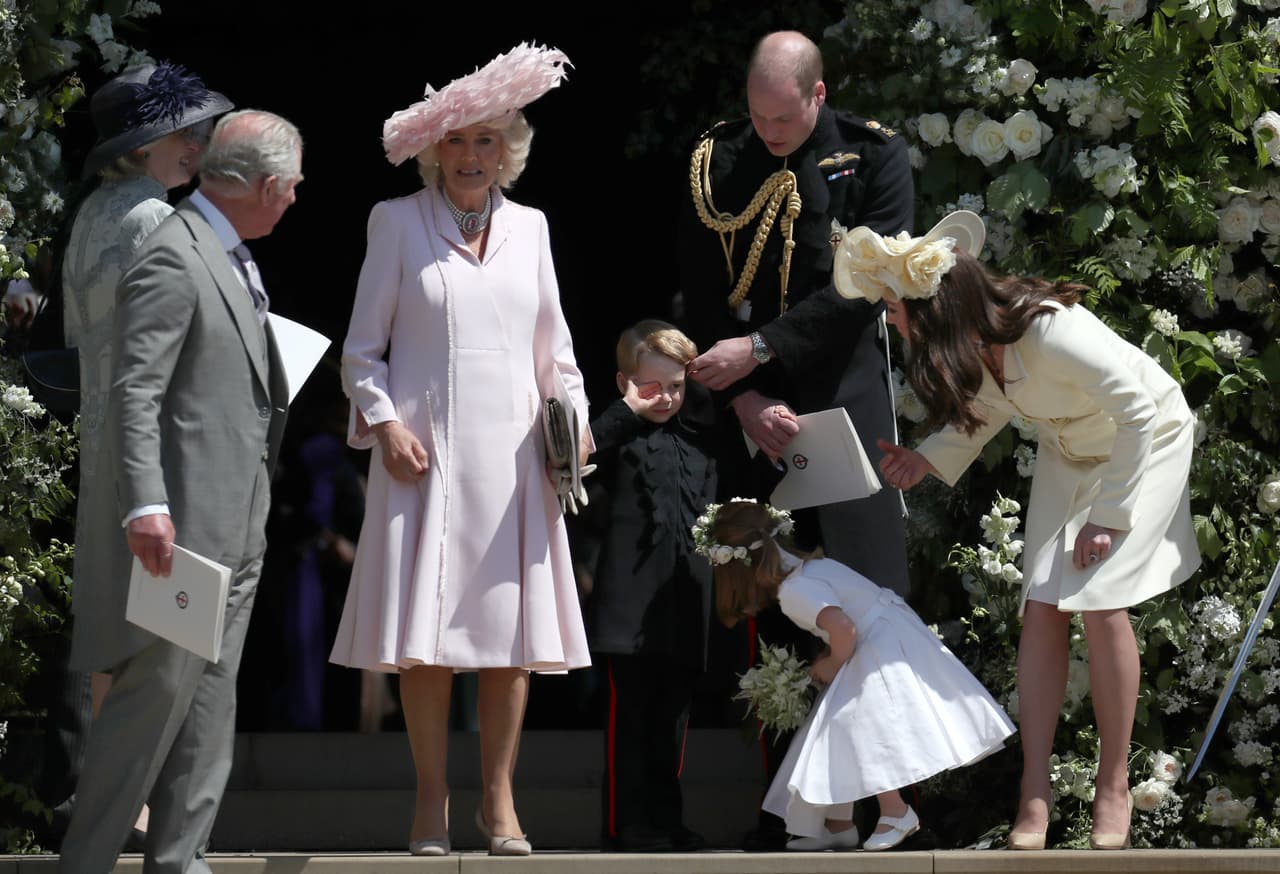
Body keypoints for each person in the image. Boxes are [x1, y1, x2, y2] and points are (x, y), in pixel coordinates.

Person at [843, 211, 1201, 850]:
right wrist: (926, 457)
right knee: (1041, 606)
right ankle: (1034, 791)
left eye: (896, 309)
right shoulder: (980, 341)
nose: (892, 320)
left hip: (1144, 444)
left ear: (935, 308)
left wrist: (1109, 517)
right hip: (1073, 454)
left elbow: (1140, 412)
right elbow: (988, 408)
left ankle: (1113, 786)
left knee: (1099, 600)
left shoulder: (1051, 332)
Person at [330, 43, 591, 858]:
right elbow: (359, 352)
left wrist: (574, 421)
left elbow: (558, 355)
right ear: (432, 150)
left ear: (507, 148)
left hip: (515, 464)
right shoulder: (396, 222)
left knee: (511, 643)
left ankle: (501, 804)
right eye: (456, 141)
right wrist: (385, 422)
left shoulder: (535, 228)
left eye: (486, 141)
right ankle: (432, 804)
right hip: (425, 460)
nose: (471, 156)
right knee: (427, 644)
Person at [677, 28, 914, 849]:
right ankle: (796, 811)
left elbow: (864, 288)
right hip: (753, 412)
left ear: (818, 96)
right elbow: (702, 285)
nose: (769, 134)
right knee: (775, 610)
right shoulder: (719, 158)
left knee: (869, 603)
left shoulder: (874, 159)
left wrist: (765, 348)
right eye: (757, 116)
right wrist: (741, 392)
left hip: (845, 402)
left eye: (784, 119)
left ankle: (890, 806)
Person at [58, 109, 302, 874]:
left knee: (208, 704)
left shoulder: (226, 252)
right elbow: (136, 391)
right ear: (264, 186)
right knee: (151, 701)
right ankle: (86, 863)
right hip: (184, 526)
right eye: (291, 186)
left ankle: (181, 861)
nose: (295, 199)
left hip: (239, 516)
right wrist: (146, 504)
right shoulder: (175, 251)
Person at [57, 60, 234, 843]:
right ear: (142, 144)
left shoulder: (96, 212)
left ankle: (117, 796)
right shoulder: (152, 221)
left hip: (105, 440)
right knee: (160, 631)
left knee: (115, 618)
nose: (194, 144)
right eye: (179, 133)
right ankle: (138, 799)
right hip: (154, 447)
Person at [700, 500, 1015, 851]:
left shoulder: (793, 593)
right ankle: (838, 824)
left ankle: (895, 812)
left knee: (864, 725)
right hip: (890, 633)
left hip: (877, 644)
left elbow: (845, 630)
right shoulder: (815, 567)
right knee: (837, 723)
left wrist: (831, 664)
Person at [584, 320, 717, 852]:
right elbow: (579, 454)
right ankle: (625, 821)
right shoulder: (615, 434)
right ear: (624, 383)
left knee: (674, 718)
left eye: (678, 386)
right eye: (652, 386)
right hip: (628, 607)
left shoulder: (700, 435)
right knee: (631, 718)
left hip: (684, 599)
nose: (666, 397)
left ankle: (667, 816)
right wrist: (626, 413)